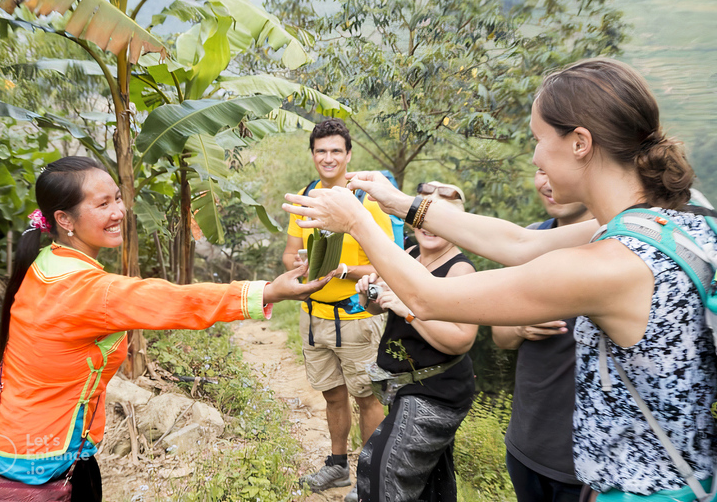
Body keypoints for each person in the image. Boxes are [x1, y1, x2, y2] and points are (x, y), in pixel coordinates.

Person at [283, 58, 717, 501]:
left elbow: (428, 297)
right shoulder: (666, 222)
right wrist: (399, 203)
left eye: (539, 139)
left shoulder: (612, 264)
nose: (535, 155)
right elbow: (518, 244)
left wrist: (358, 221)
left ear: (580, 143)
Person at [0, 156, 332, 502]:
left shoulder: (45, 261)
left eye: (117, 198)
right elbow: (174, 301)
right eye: (102, 204)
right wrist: (268, 291)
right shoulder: (90, 289)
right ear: (64, 219)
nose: (118, 212)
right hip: (42, 454)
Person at [282, 118, 393, 494]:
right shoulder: (306, 195)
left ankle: (369, 478)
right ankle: (337, 465)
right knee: (332, 395)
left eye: (335, 151)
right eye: (321, 151)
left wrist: (342, 269)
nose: (328, 158)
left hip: (356, 316)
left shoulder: (365, 201)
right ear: (312, 155)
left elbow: (385, 263)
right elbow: (288, 253)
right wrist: (299, 267)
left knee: (366, 397)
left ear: (348, 155)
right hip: (314, 317)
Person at [351, 181, 478, 502]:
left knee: (377, 469)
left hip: (438, 391)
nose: (429, 226)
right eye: (424, 214)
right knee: (431, 483)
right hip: (405, 385)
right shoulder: (408, 254)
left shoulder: (459, 271)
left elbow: (462, 339)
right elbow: (378, 306)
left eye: (441, 217)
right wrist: (369, 295)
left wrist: (411, 312)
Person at [491, 168, 593, 502]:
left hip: (585, 466)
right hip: (525, 447)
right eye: (540, 170)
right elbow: (500, 337)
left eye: (556, 170)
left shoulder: (614, 249)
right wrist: (519, 326)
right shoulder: (530, 242)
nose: (546, 183)